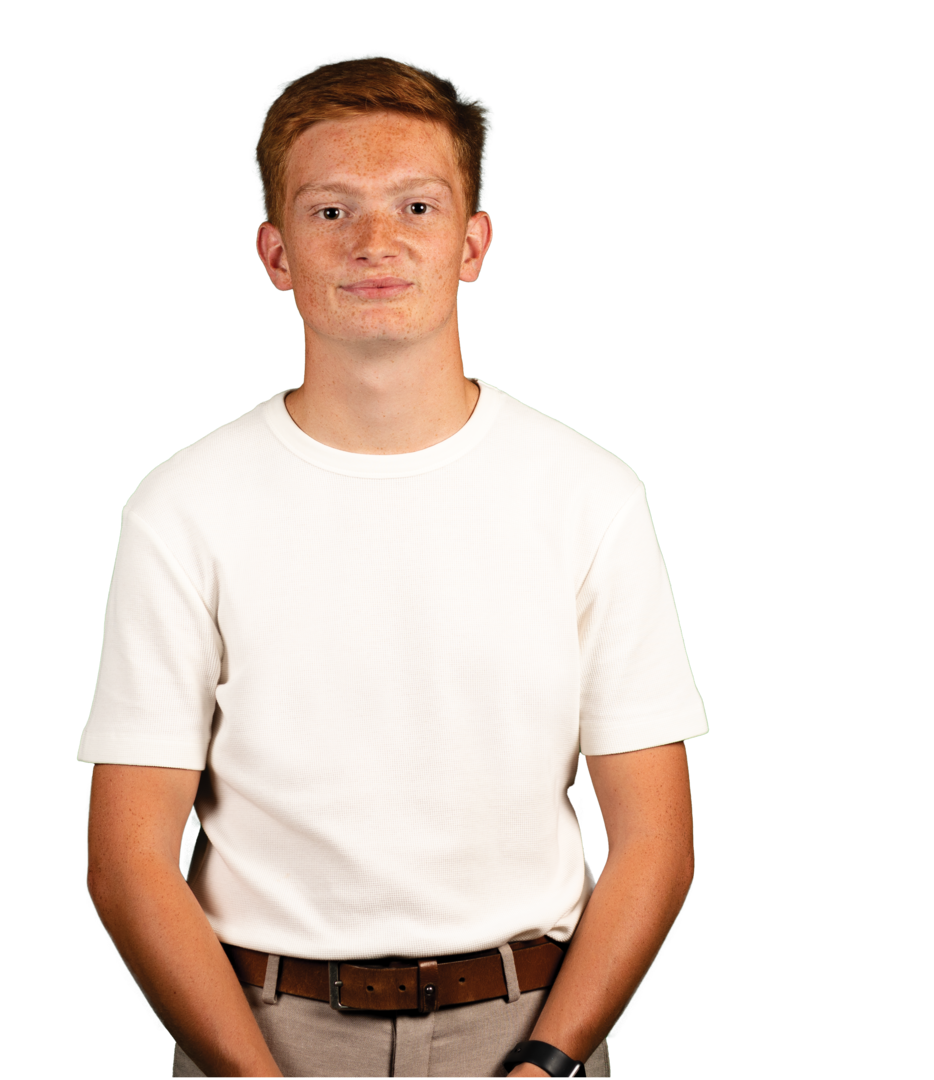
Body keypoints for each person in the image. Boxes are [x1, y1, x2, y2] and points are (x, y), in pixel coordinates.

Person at [79, 55, 708, 1079]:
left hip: (530, 1028)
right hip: (255, 1032)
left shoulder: (590, 494)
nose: (375, 241)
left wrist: (549, 1064)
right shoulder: (182, 506)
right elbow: (127, 861)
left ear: (473, 244)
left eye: (416, 205)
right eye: (332, 211)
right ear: (276, 255)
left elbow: (656, 843)